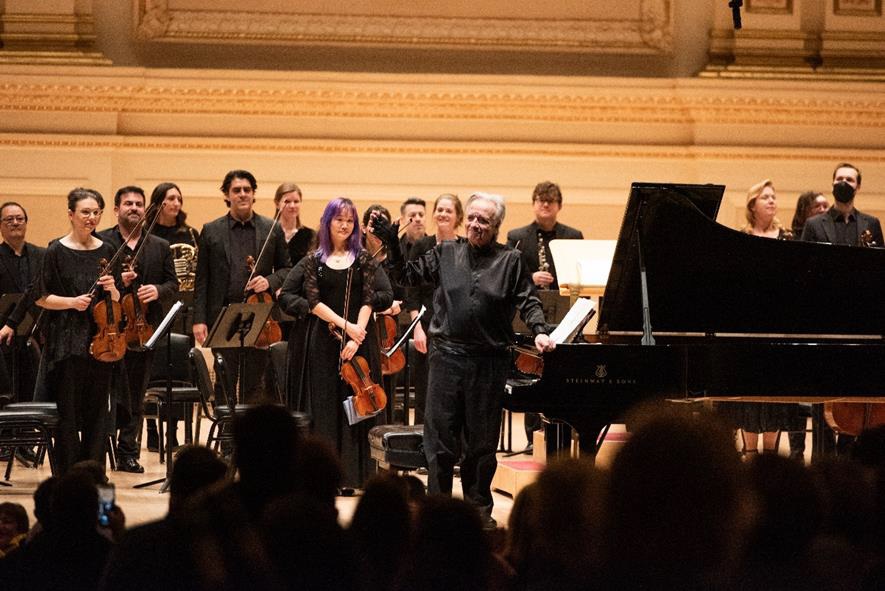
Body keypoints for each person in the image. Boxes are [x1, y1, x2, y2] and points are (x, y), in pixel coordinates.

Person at [373, 192, 554, 529]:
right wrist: (391, 244)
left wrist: (540, 330)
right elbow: (408, 276)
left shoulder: (510, 261)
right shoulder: (445, 252)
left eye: (482, 220)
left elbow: (527, 300)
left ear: (496, 226)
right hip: (447, 359)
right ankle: (436, 511)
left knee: (481, 445)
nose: (474, 225)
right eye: (470, 218)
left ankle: (478, 514)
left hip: (488, 362)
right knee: (439, 443)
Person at [278, 197, 393, 489]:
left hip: (359, 345)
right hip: (324, 345)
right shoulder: (315, 262)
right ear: (327, 223)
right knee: (326, 408)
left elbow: (372, 297)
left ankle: (356, 476)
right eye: (339, 219)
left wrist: (358, 334)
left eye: (350, 220)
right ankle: (323, 477)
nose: (344, 225)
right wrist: (347, 327)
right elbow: (313, 302)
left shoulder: (364, 259)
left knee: (356, 411)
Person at [34, 188, 121, 475]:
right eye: (85, 212)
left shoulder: (108, 249)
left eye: (96, 212)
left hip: (102, 342)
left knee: (99, 413)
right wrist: (72, 302)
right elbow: (41, 297)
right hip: (67, 341)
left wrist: (113, 290)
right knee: (68, 413)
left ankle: (94, 472)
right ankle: (69, 474)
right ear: (71, 214)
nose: (92, 217)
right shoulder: (55, 250)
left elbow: (118, 300)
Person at [192, 169, 291, 402]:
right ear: (227, 195)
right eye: (237, 190)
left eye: (247, 190)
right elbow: (202, 279)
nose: (242, 194)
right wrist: (199, 318)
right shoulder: (211, 230)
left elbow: (287, 270)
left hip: (260, 318)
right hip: (223, 315)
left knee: (254, 384)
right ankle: (227, 437)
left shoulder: (271, 228)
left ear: (254, 194)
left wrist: (269, 281)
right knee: (224, 382)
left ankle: (249, 436)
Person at [98, 186, 178, 473]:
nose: (134, 207)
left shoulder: (158, 246)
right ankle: (100, 447)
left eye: (139, 204)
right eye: (128, 203)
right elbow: (94, 284)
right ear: (116, 209)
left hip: (143, 330)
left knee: (137, 393)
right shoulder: (103, 242)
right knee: (109, 393)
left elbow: (173, 285)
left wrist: (157, 290)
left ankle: (127, 452)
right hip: (108, 329)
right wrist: (119, 283)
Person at [506, 181, 583, 445]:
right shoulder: (517, 236)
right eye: (540, 200)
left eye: (550, 200)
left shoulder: (573, 236)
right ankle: (531, 437)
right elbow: (508, 276)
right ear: (533, 204)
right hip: (530, 315)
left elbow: (579, 274)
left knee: (563, 372)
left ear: (559, 205)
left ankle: (563, 430)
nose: (545, 204)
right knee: (531, 372)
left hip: (563, 314)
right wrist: (530, 277)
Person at [732, 180, 803, 457]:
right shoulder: (741, 237)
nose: (772, 201)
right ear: (753, 204)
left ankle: (771, 456)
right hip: (748, 327)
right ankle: (749, 453)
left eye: (774, 197)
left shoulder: (787, 238)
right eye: (766, 197)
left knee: (773, 392)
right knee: (750, 391)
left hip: (779, 326)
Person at [405, 193, 464, 424]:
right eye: (439, 209)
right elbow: (411, 290)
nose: (442, 214)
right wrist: (416, 328)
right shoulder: (422, 245)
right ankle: (421, 443)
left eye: (448, 210)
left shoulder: (465, 247)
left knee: (453, 390)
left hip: (455, 329)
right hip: (426, 326)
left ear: (457, 216)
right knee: (425, 388)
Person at [0, 201, 45, 403]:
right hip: (4, 337)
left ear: (26, 223)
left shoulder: (42, 255)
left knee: (35, 389)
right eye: (9, 219)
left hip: (38, 335)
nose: (15, 223)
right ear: (1, 225)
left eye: (20, 219)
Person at [801, 162, 884, 246]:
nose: (843, 182)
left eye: (849, 180)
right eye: (839, 179)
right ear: (832, 184)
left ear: (858, 187)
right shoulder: (813, 224)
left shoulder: (872, 223)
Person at [274, 182, 316, 266]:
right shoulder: (268, 232)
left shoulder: (311, 235)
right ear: (277, 204)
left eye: (296, 201)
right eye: (287, 201)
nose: (292, 206)